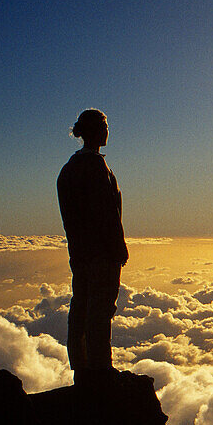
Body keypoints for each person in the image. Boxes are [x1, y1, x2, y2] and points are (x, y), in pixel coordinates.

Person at [57, 108, 128, 381]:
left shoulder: (69, 169)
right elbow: (106, 213)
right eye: (105, 126)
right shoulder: (95, 166)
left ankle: (82, 365)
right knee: (100, 307)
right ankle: (99, 367)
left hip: (79, 252)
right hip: (101, 252)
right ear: (98, 130)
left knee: (81, 305)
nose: (108, 131)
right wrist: (118, 249)